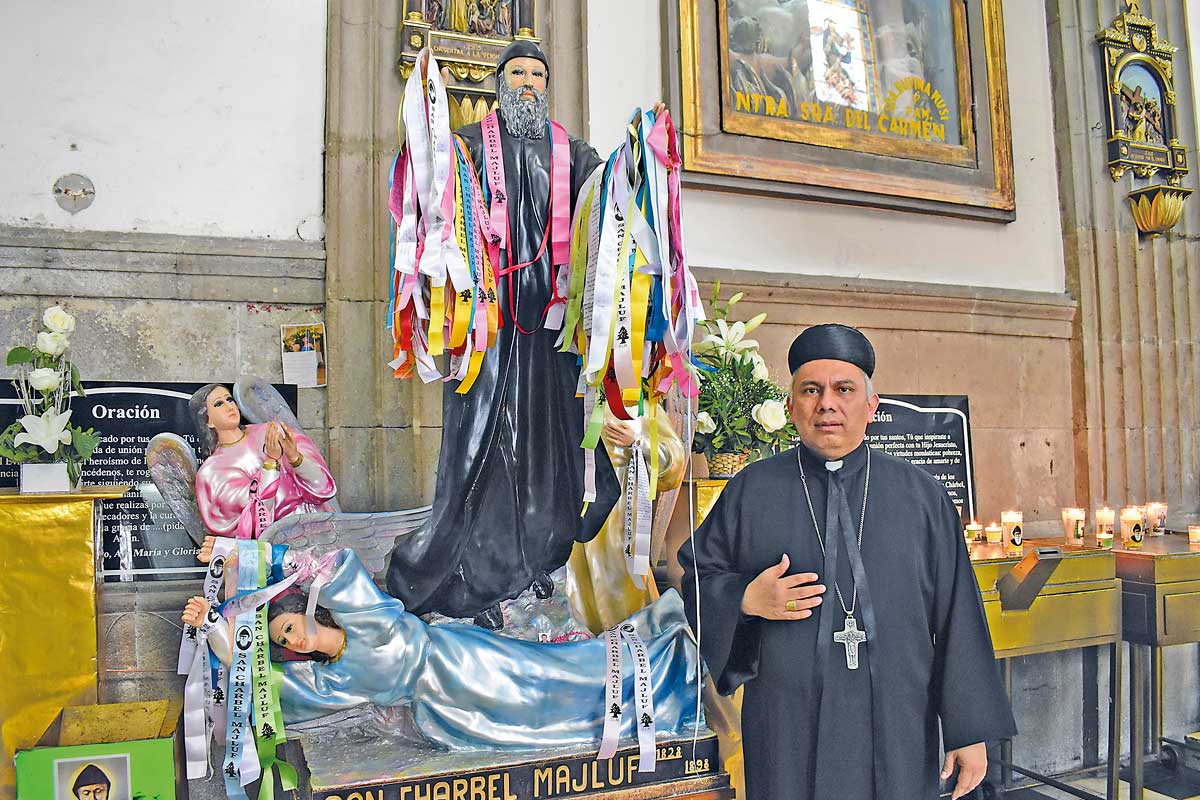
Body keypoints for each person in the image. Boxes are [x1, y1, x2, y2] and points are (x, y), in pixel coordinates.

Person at [680, 324, 1015, 800]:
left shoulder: (922, 497)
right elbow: (694, 575)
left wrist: (967, 731)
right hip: (787, 723)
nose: (827, 404)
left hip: (898, 720)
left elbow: (958, 614)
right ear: (792, 404)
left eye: (844, 389)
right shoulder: (751, 491)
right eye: (811, 390)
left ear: (871, 405)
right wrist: (744, 599)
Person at [386, 40, 631, 629]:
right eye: (517, 72)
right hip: (489, 331)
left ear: (547, 86)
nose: (527, 82)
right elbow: (431, 196)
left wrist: (636, 172)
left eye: (537, 74)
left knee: (560, 450)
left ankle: (542, 562)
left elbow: (611, 207)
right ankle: (473, 577)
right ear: (499, 82)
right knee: (481, 451)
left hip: (551, 334)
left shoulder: (574, 154)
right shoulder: (469, 148)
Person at [183, 547, 703, 749]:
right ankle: (639, 702)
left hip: (465, 658)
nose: (293, 639)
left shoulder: (361, 611)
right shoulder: (335, 679)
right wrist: (215, 631)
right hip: (450, 707)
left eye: (290, 626)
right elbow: (268, 687)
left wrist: (245, 552)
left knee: (563, 674)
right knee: (541, 721)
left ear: (305, 610)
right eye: (283, 642)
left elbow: (323, 561)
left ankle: (662, 654)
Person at [191, 384, 337, 538]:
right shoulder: (212, 471)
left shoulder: (273, 431)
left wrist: (295, 458)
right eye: (219, 404)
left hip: (319, 528)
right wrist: (271, 462)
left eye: (230, 399)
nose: (229, 406)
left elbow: (322, 486)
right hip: (278, 546)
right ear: (208, 421)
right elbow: (255, 517)